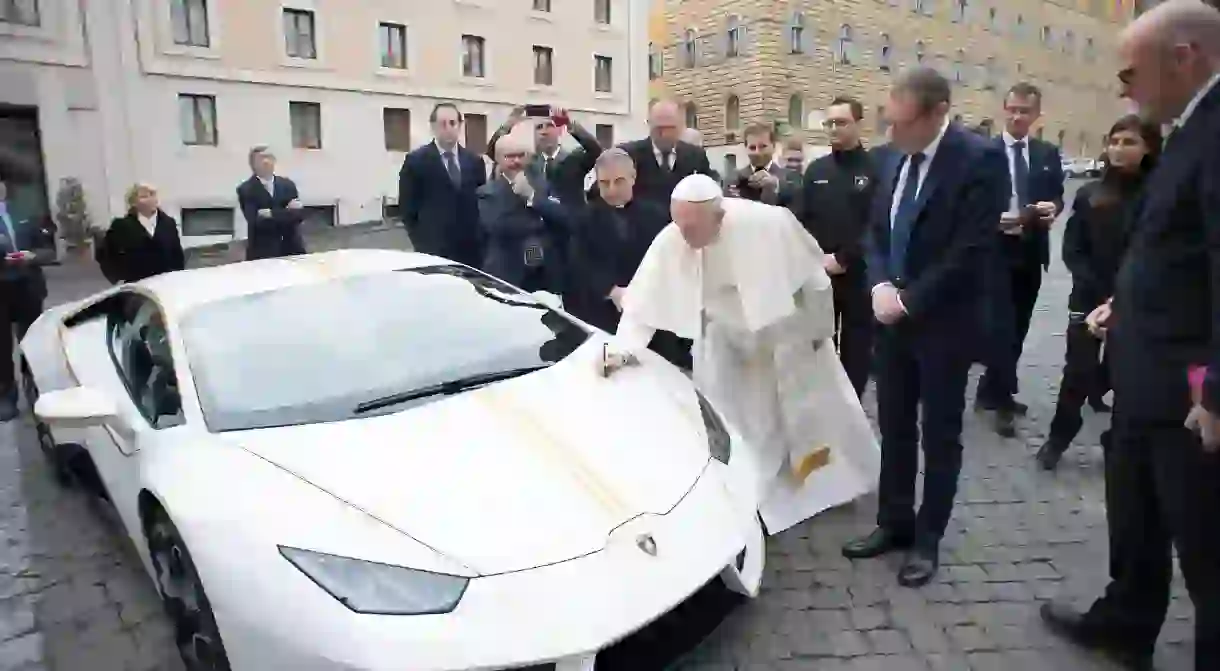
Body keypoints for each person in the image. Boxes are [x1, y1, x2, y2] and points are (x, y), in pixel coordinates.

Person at [1040, 3, 1220, 669]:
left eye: (1128, 70)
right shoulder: (1188, 128)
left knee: (1205, 549)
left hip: (1190, 393)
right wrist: (1124, 301)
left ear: (1185, 57)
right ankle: (1126, 622)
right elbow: (1179, 250)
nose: (1123, 89)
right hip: (1145, 379)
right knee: (1135, 514)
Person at [601, 173, 881, 535]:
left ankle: (833, 485)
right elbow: (643, 302)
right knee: (733, 419)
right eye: (678, 224)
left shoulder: (769, 223)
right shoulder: (674, 236)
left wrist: (818, 330)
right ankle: (749, 494)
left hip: (786, 335)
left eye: (692, 227)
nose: (683, 236)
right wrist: (623, 350)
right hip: (724, 340)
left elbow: (814, 279)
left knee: (812, 415)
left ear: (719, 216)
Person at [840, 68, 1008, 587]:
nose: (892, 134)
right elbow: (873, 232)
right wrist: (878, 287)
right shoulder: (892, 157)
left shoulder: (978, 159)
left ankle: (928, 538)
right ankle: (894, 521)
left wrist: (910, 300)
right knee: (893, 424)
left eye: (903, 123)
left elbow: (972, 249)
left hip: (944, 325)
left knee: (940, 433)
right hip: (890, 320)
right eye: (889, 122)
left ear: (937, 114)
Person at [1036, 116, 1161, 471]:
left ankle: (1120, 445)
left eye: (1130, 142)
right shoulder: (1090, 194)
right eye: (1115, 141)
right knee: (1077, 371)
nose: (1120, 149)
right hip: (1088, 298)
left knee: (1126, 373)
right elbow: (1073, 250)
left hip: (1138, 300)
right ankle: (1058, 438)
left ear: (1149, 147)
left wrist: (1123, 296)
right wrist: (1099, 292)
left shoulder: (1158, 196)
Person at [975, 82, 1066, 437]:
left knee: (1020, 326)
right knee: (1001, 326)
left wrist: (1052, 208)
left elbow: (1057, 193)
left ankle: (988, 390)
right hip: (994, 251)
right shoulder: (984, 152)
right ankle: (1001, 400)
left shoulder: (1046, 153)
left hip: (1030, 250)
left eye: (1024, 111)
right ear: (1004, 109)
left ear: (1035, 115)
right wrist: (992, 219)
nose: (1016, 116)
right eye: (1012, 109)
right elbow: (971, 199)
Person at [565, 149, 689, 368]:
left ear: (633, 177)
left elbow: (670, 262)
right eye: (604, 183)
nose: (611, 189)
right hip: (604, 319)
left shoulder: (658, 215)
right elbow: (580, 265)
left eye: (618, 181)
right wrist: (611, 290)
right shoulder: (584, 219)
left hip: (654, 320)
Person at [800, 97, 879, 398]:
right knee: (819, 344)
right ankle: (823, 405)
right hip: (820, 276)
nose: (834, 128)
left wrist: (845, 257)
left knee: (857, 349)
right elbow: (801, 219)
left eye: (841, 122)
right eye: (829, 123)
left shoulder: (875, 170)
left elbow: (877, 224)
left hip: (860, 276)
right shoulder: (816, 170)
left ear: (859, 124)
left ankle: (852, 407)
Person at [477, 135, 569, 294]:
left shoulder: (543, 186)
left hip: (545, 278)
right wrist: (541, 219)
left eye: (521, 155)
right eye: (510, 156)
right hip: (507, 277)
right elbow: (499, 226)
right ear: (498, 159)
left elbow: (563, 218)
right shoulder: (487, 192)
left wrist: (532, 196)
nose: (516, 161)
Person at [398, 102, 487, 267]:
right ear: (433, 126)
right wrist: (421, 243)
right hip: (433, 251)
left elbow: (481, 203)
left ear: (460, 125)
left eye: (453, 123)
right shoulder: (416, 161)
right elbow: (407, 209)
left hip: (470, 253)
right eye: (442, 124)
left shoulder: (474, 162)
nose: (448, 128)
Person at [0, 178, 56, 422]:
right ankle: (6, 397)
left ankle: (36, 390)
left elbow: (48, 250)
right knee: (2, 347)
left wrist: (33, 255)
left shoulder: (25, 214)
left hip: (28, 287)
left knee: (31, 342)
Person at [619, 101, 715, 207]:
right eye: (659, 129)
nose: (664, 134)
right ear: (649, 125)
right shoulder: (628, 156)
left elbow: (710, 192)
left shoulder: (696, 156)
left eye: (670, 128)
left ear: (680, 127)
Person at [97, 182, 186, 285]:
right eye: (144, 196)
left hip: (165, 285)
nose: (150, 199)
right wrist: (117, 278)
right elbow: (105, 255)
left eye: (152, 195)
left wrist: (177, 278)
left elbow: (177, 256)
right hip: (137, 287)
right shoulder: (121, 226)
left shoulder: (168, 224)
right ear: (134, 203)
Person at [236, 146, 307, 260]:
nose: (266, 161)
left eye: (269, 157)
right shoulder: (246, 189)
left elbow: (299, 216)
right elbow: (257, 221)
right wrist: (286, 212)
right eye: (261, 158)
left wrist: (271, 214)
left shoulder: (288, 185)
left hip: (292, 250)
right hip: (263, 254)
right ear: (252, 164)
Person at [731, 123, 801, 211]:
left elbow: (797, 209)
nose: (757, 152)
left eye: (763, 146)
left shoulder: (790, 177)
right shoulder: (734, 178)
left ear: (774, 146)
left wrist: (776, 185)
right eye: (752, 147)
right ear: (745, 148)